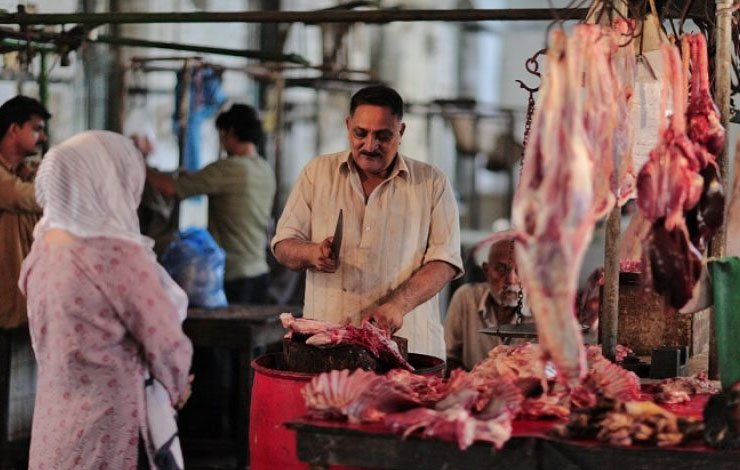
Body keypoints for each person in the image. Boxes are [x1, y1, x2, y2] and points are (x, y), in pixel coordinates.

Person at [18, 131, 193, 469]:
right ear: (109, 179)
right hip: (113, 424)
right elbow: (166, 342)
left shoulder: (41, 250)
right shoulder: (116, 255)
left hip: (55, 419)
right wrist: (176, 385)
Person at [272, 85, 463, 359]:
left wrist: (398, 305)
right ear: (348, 126)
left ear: (401, 131)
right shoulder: (317, 174)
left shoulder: (432, 182)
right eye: (360, 133)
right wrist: (312, 253)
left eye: (383, 136)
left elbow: (445, 261)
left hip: (408, 349)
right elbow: (283, 246)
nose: (370, 146)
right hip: (329, 348)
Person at [147, 103, 276, 304]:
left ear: (231, 132)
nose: (222, 142)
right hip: (259, 272)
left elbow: (170, 188)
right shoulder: (264, 169)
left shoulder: (227, 169)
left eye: (222, 135)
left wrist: (138, 164)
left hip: (232, 276)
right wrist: (195, 178)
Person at [444, 232, 533, 371]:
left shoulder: (544, 310)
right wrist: (468, 383)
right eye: (501, 269)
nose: (510, 279)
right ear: (486, 270)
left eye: (520, 270)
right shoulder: (466, 297)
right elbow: (449, 358)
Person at [0, 95, 50, 329]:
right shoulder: (12, 185)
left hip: (21, 304)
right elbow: (19, 196)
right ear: (13, 129)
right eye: (37, 129)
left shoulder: (25, 173)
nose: (43, 137)